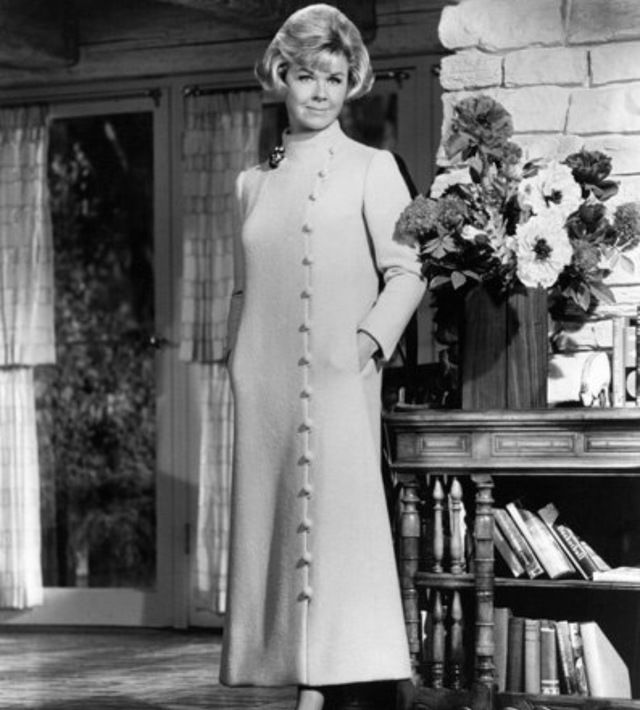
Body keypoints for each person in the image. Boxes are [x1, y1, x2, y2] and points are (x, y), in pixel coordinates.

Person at [221, 5, 425, 709]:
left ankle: (326, 684)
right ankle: (293, 671)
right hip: (264, 383)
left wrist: (366, 344)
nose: (319, 92)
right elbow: (243, 287)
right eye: (307, 75)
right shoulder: (250, 183)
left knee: (338, 528)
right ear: (282, 76)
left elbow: (408, 271)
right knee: (277, 530)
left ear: (350, 86)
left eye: (334, 79)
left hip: (342, 377)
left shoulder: (373, 168)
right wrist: (235, 362)